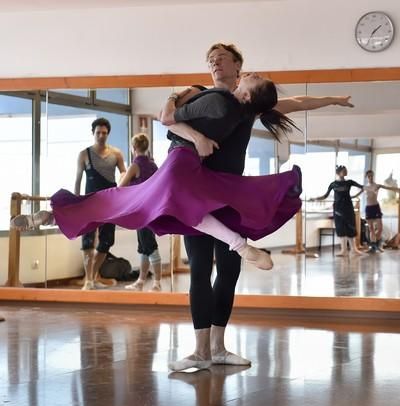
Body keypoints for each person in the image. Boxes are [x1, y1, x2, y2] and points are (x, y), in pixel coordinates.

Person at [162, 43, 355, 371]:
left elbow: (296, 102)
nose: (215, 64)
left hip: (230, 193)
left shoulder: (248, 103)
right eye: (211, 60)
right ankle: (199, 351)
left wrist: (333, 100)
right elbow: (169, 122)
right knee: (198, 269)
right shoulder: (201, 96)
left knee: (229, 270)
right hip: (199, 194)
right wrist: (195, 136)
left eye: (221, 59)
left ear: (238, 67)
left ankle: (218, 348)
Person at [11, 74, 301, 290]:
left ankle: (240, 246)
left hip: (179, 163)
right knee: (132, 202)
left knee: (123, 200)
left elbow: (168, 118)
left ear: (248, 95)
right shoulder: (240, 113)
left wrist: (179, 95)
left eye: (255, 79)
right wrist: (333, 100)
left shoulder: (219, 100)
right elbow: (294, 103)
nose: (251, 74)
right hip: (186, 167)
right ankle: (52, 215)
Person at [78, 118, 126, 290]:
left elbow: (124, 175)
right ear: (93, 133)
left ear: (108, 134)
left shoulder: (117, 154)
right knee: (87, 243)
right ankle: (88, 280)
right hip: (89, 204)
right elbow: (77, 181)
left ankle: (93, 275)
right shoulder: (84, 154)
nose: (101, 136)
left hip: (109, 204)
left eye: (104, 133)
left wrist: (123, 195)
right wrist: (76, 203)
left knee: (106, 242)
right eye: (98, 133)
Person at [117, 134, 163, 292]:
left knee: (149, 246)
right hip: (152, 209)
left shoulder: (135, 165)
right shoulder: (153, 164)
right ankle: (141, 280)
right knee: (144, 246)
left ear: (133, 148)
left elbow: (120, 188)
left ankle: (157, 282)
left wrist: (122, 176)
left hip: (142, 211)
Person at [310, 165, 365, 256]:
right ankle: (343, 250)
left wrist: (355, 196)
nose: (345, 171)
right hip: (338, 208)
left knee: (350, 227)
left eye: (346, 170)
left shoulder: (349, 182)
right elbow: (325, 195)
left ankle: (354, 249)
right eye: (343, 170)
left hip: (348, 207)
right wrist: (315, 199)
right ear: (338, 172)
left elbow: (363, 187)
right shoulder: (333, 184)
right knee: (340, 228)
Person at [362, 169, 400, 252]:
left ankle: (376, 244)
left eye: (371, 176)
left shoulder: (377, 185)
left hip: (376, 207)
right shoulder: (364, 187)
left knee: (380, 228)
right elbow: (356, 194)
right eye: (368, 176)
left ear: (373, 176)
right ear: (366, 177)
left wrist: (399, 189)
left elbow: (389, 188)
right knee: (371, 228)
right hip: (368, 208)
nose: (370, 177)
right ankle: (373, 246)